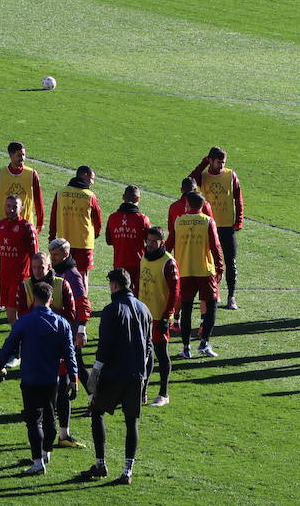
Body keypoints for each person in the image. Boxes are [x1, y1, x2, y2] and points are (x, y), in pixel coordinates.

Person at [78, 268, 154, 485]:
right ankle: (127, 470)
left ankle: (100, 463)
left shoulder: (111, 310)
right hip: (136, 376)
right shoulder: (144, 310)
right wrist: (145, 383)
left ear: (114, 285)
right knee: (132, 423)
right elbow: (149, 350)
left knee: (97, 412)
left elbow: (105, 346)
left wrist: (95, 373)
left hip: (113, 374)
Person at [0, 281, 78, 477]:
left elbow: (9, 345)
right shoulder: (62, 323)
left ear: (33, 298)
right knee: (50, 418)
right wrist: (74, 378)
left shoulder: (24, 321)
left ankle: (38, 462)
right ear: (51, 299)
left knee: (34, 422)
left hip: (31, 378)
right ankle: (46, 451)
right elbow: (70, 353)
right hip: (51, 379)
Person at [23, 247, 86, 449]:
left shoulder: (62, 284)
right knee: (42, 396)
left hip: (57, 349)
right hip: (36, 350)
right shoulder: (25, 286)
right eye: (34, 267)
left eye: (41, 267)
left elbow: (72, 313)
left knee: (63, 389)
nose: (38, 271)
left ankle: (63, 434)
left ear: (49, 266)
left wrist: (48, 315)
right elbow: (20, 316)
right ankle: (44, 441)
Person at [165, 191, 224, 359]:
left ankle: (186, 348)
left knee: (186, 309)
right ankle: (204, 343)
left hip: (184, 271)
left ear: (187, 205)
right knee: (211, 307)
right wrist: (220, 267)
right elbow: (215, 246)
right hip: (205, 271)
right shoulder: (207, 221)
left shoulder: (178, 222)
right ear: (202, 206)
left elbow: (169, 244)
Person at [189, 147, 244, 310]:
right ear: (211, 161)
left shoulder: (230, 175)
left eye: (223, 163)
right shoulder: (203, 176)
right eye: (218, 162)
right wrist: (203, 162)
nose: (221, 166)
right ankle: (215, 291)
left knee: (230, 261)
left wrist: (238, 220)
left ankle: (231, 296)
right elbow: (190, 180)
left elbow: (238, 198)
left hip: (227, 227)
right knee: (210, 262)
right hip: (209, 226)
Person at [137, 226, 179, 406]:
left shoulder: (168, 262)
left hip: (159, 316)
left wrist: (167, 316)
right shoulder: (144, 257)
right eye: (149, 240)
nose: (151, 244)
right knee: (144, 355)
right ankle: (142, 392)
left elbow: (175, 292)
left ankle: (164, 394)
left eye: (155, 241)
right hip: (144, 315)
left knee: (161, 354)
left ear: (162, 242)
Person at [0, 193, 38, 328]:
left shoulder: (27, 227)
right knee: (11, 313)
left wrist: (36, 280)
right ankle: (21, 339)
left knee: (13, 315)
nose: (11, 209)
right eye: (8, 206)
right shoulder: (0, 225)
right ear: (4, 206)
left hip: (20, 279)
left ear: (22, 208)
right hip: (4, 277)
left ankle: (18, 342)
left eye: (15, 207)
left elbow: (35, 255)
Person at [0, 141, 43, 235]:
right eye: (19, 155)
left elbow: (38, 200)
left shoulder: (32, 174)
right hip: (4, 226)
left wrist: (40, 222)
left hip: (26, 226)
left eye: (23, 155)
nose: (22, 158)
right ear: (11, 155)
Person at [48, 165, 101, 280]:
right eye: (91, 179)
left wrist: (52, 237)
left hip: (63, 242)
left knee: (62, 275)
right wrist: (96, 233)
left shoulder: (60, 194)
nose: (92, 183)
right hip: (84, 243)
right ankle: (82, 298)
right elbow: (97, 219)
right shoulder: (90, 196)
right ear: (84, 175)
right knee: (82, 276)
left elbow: (53, 217)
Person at [105, 185, 151, 293]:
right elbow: (150, 242)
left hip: (119, 262)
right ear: (138, 199)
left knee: (120, 294)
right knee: (138, 295)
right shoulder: (143, 219)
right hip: (138, 264)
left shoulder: (113, 218)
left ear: (123, 197)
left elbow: (109, 240)